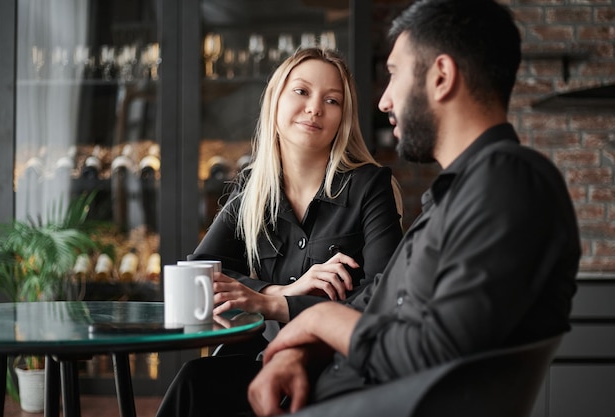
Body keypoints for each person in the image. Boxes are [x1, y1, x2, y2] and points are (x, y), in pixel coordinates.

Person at [156, 1, 580, 416]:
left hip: (355, 400)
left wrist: (314, 321)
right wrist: (297, 353)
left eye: (393, 74)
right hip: (331, 384)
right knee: (197, 385)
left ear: (441, 77)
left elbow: (432, 350)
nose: (384, 102)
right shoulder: (458, 195)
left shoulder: (507, 182)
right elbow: (380, 301)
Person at [187, 47, 403, 338]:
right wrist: (280, 292)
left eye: (332, 100)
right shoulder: (252, 187)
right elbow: (197, 277)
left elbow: (384, 295)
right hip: (261, 354)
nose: (315, 108)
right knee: (193, 380)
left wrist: (275, 305)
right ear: (275, 100)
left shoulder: (370, 186)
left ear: (343, 118)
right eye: (301, 91)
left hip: (334, 360)